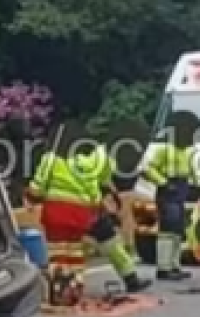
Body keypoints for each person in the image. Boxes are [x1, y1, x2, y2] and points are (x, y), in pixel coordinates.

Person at [26, 120, 151, 296]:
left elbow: (38, 187)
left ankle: (61, 291)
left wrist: (30, 198)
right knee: (104, 242)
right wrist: (105, 198)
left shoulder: (51, 159)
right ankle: (129, 278)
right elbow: (106, 179)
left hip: (57, 213)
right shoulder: (99, 156)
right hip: (87, 212)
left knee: (60, 252)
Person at [141, 110, 200, 281]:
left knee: (177, 230)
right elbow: (147, 169)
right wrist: (163, 183)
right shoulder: (164, 149)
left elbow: (192, 170)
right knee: (168, 229)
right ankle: (163, 268)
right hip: (168, 191)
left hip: (181, 191)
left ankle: (174, 266)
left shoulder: (187, 151)